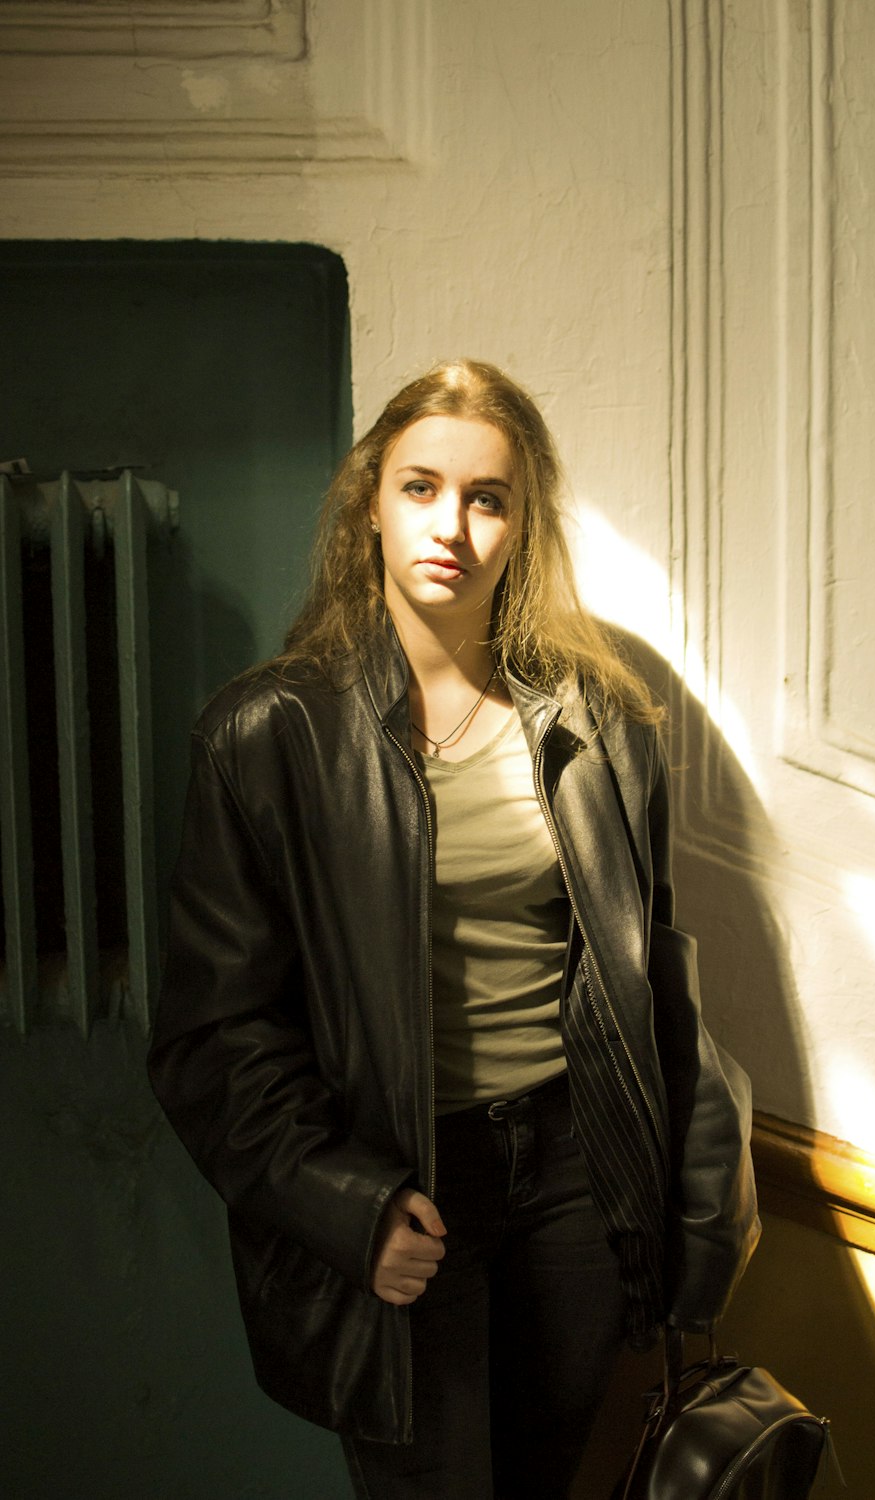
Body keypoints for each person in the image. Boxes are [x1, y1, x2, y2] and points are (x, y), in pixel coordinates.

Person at [147, 359, 760, 1500]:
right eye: (421, 489)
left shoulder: (596, 717)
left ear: (522, 524)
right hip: (406, 1185)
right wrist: (349, 1206)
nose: (453, 527)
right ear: (369, 504)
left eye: (488, 498)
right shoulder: (265, 735)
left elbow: (650, 971)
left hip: (580, 1183)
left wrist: (688, 1214)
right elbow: (211, 1041)